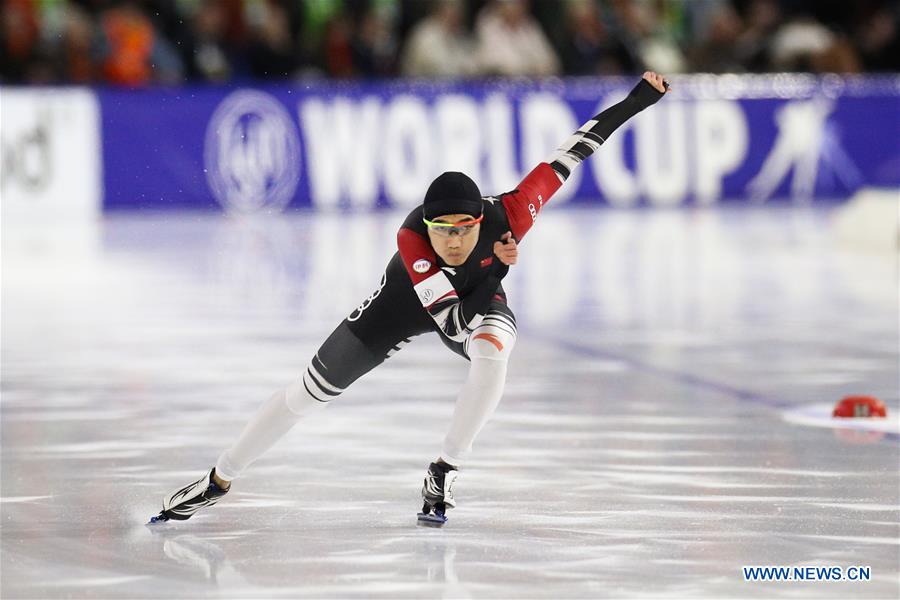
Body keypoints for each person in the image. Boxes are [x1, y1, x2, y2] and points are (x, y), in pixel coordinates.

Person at [149, 71, 670, 527]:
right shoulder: (412, 240)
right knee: (306, 394)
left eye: (463, 231)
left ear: (479, 220)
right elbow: (450, 322)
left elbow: (577, 147)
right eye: (441, 230)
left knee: (493, 353)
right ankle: (218, 479)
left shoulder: (512, 213)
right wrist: (495, 274)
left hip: (475, 301)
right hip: (400, 307)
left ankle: (443, 468)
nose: (452, 241)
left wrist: (638, 98)